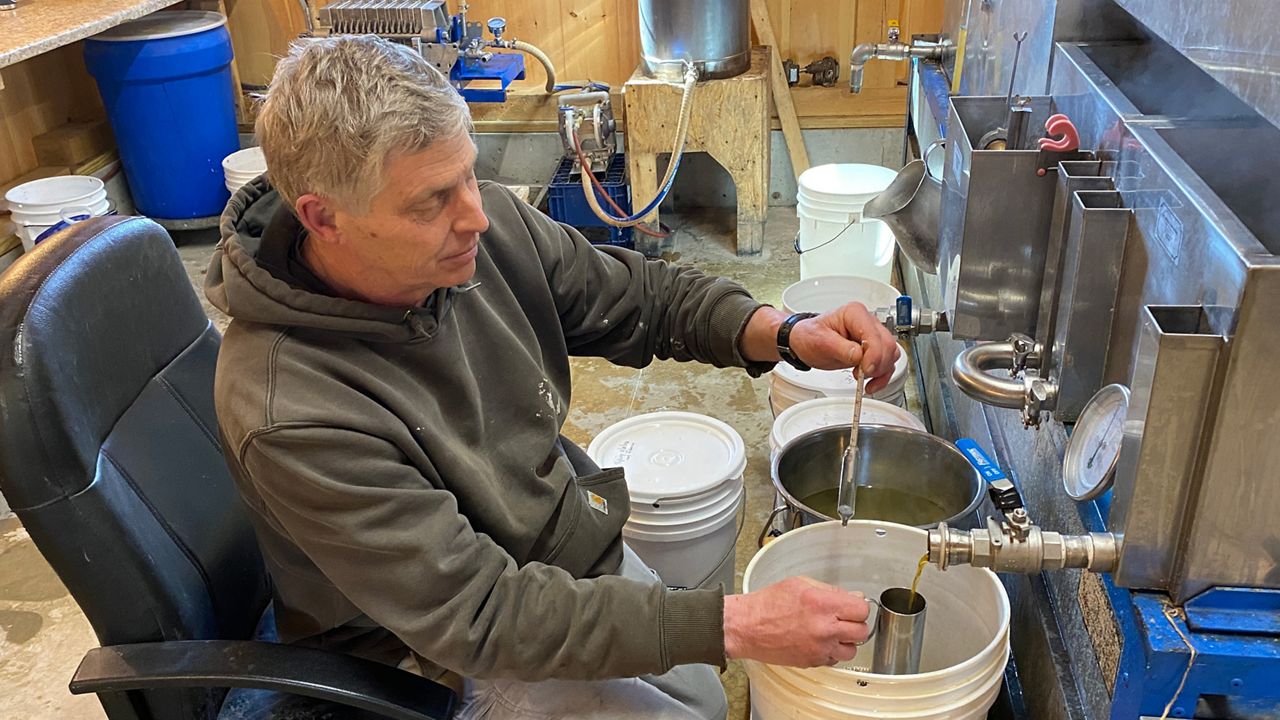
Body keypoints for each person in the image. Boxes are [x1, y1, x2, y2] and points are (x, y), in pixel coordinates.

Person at [206, 35, 901, 720]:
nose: (476, 214)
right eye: (431, 202)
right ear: (324, 218)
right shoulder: (290, 406)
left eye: (470, 175)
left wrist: (782, 332)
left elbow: (638, 299)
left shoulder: (479, 229)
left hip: (543, 536)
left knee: (704, 693)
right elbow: (480, 614)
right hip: (427, 653)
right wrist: (737, 624)